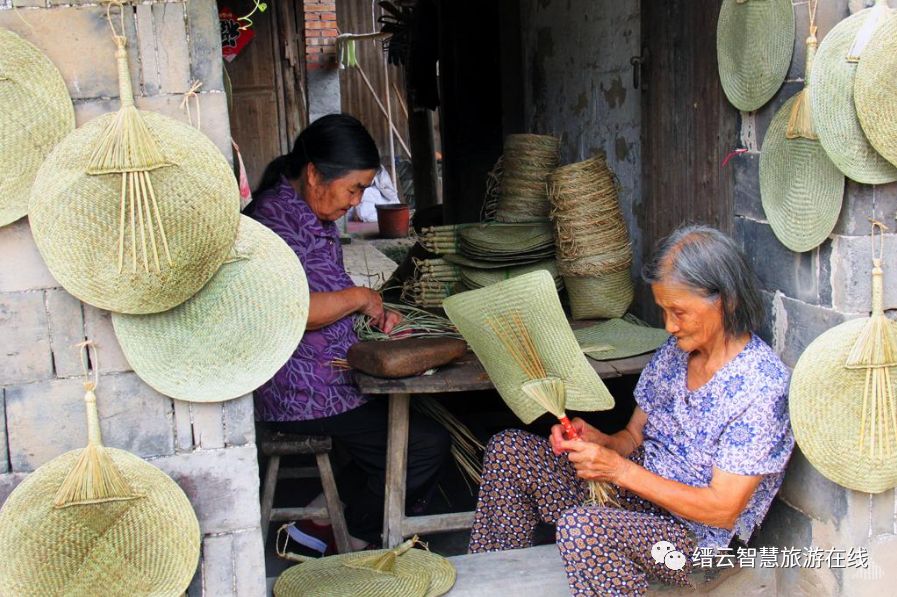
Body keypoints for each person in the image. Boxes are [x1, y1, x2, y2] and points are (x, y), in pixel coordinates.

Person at [467, 225, 794, 596]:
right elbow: (632, 436)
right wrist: (599, 443)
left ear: (726, 301)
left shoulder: (762, 387)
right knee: (509, 451)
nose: (669, 325)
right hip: (636, 501)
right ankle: (492, 584)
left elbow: (722, 510)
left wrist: (618, 470)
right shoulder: (677, 352)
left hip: (691, 545)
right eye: (664, 310)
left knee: (583, 529)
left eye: (679, 312)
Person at [247, 114, 450, 547]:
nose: (356, 201)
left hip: (336, 375)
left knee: (404, 427)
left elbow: (327, 298)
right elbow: (288, 310)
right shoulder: (273, 225)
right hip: (301, 390)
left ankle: (318, 523)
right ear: (315, 173)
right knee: (424, 446)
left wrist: (371, 316)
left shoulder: (310, 215)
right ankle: (349, 531)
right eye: (353, 188)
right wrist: (359, 297)